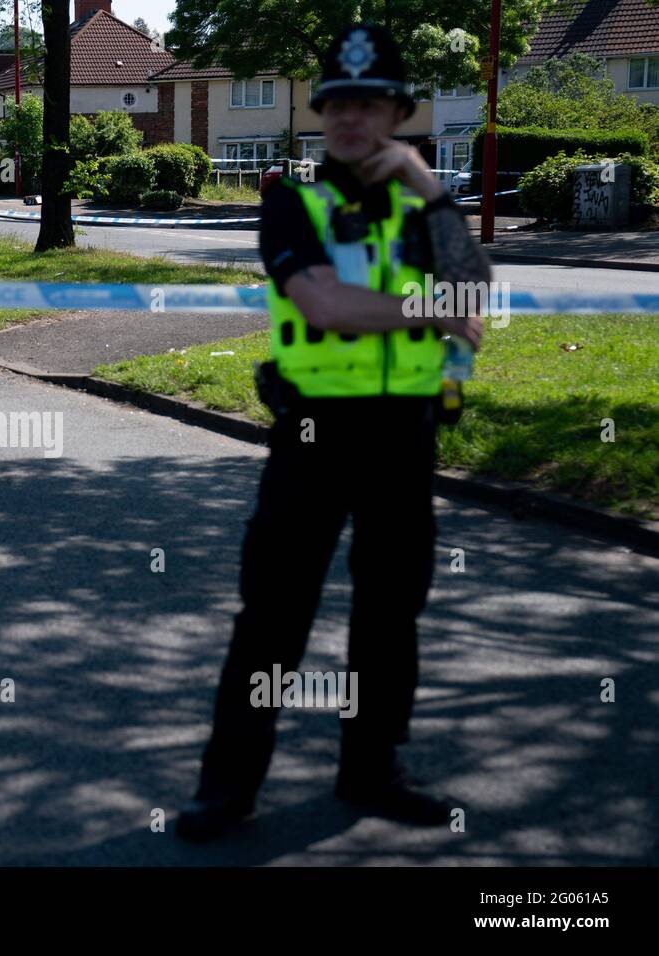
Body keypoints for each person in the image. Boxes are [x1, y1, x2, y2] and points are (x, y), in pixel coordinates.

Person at [175, 23, 492, 842]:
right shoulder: (293, 200)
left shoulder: (423, 205)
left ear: (395, 112)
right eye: (338, 103)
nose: (352, 118)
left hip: (405, 438)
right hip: (313, 438)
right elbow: (324, 305)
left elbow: (477, 310)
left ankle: (372, 769)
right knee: (273, 618)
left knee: (390, 616)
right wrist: (434, 312)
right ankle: (228, 789)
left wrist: (429, 187)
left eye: (370, 103)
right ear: (321, 112)